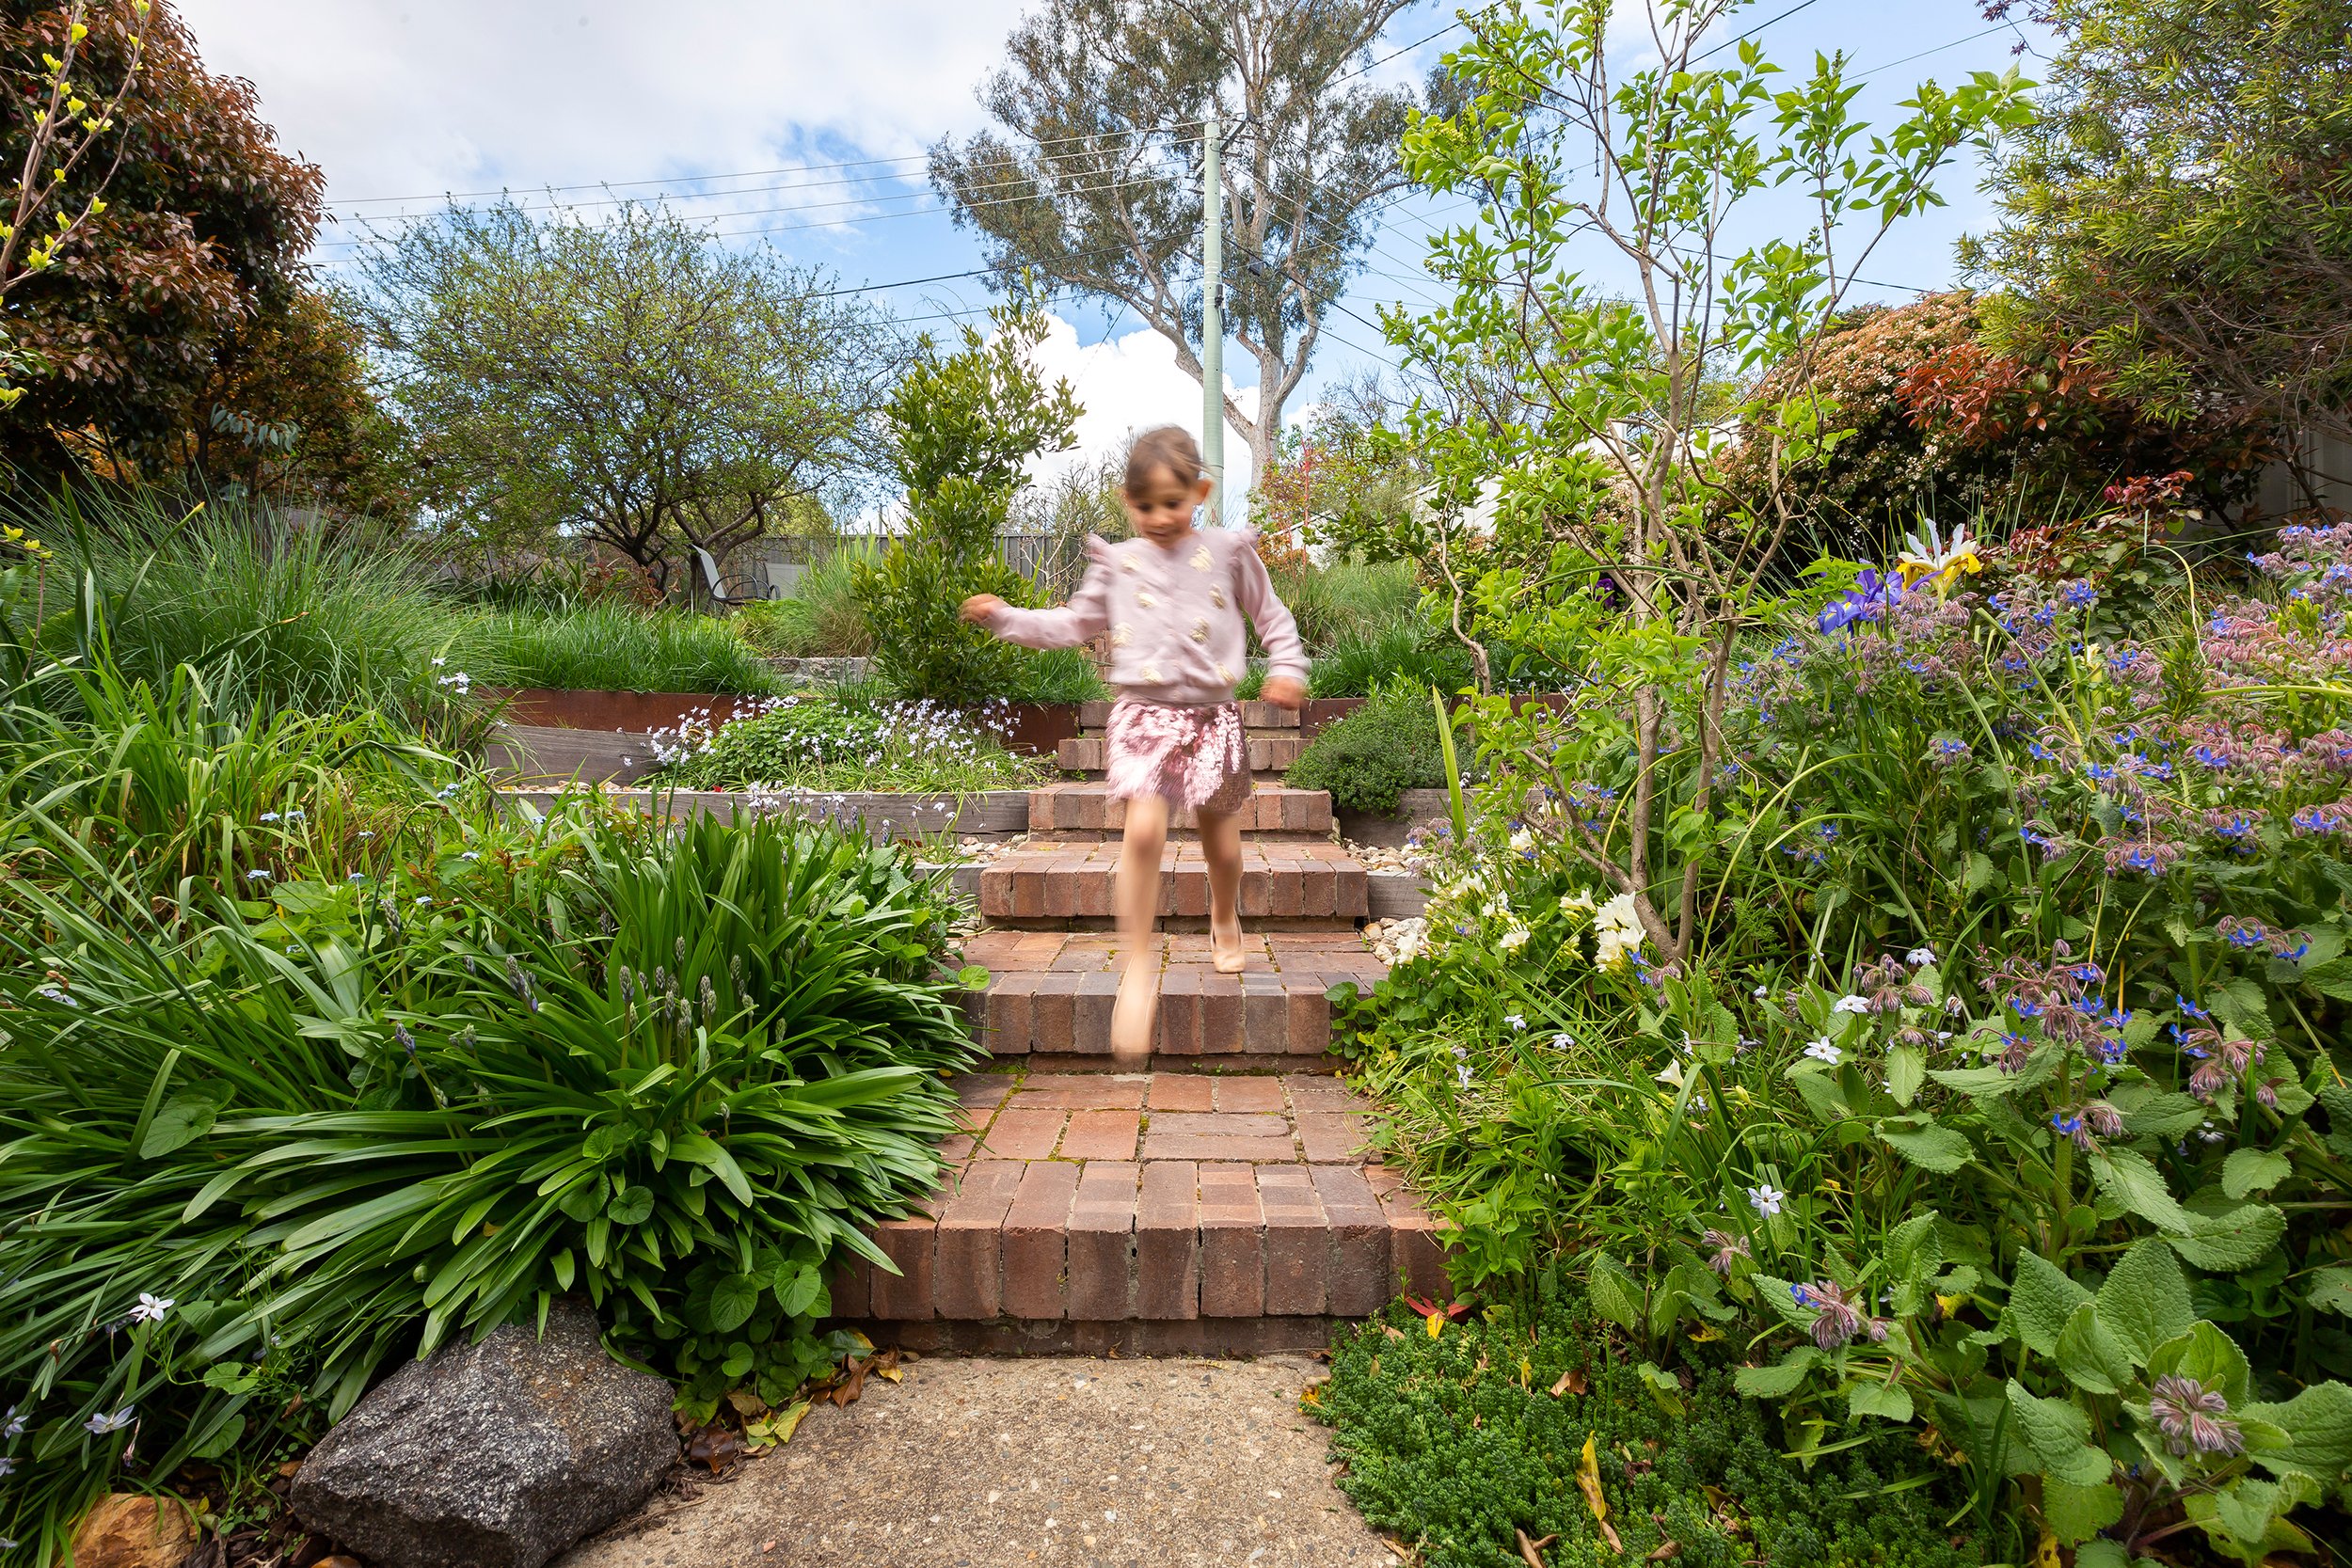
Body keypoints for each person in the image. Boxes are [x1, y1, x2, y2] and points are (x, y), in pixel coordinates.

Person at [961, 425, 1307, 1064]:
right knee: (1143, 833)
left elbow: (1273, 618)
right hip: (1143, 717)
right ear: (1127, 501)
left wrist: (1288, 667)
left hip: (1212, 720)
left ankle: (1225, 916)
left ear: (1200, 492)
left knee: (1221, 847)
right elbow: (1071, 623)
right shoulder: (1119, 564)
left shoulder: (1229, 553)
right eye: (1145, 506)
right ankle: (1139, 968)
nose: (1159, 517)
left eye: (1173, 502)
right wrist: (1006, 617)